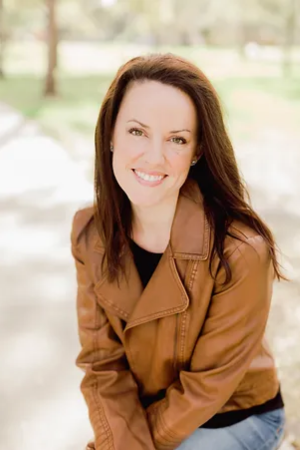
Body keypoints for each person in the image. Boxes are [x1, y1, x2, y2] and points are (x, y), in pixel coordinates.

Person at [70, 53, 287, 450]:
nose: (155, 157)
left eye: (177, 139)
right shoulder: (89, 233)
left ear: (198, 151)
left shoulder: (240, 252)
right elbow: (102, 366)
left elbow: (205, 391)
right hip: (150, 415)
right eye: (137, 131)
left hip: (232, 416)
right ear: (111, 134)